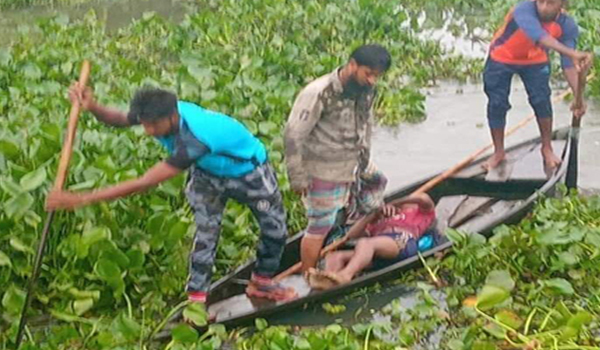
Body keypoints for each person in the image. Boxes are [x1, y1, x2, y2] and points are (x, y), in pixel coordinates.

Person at [46, 84, 297, 303]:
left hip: (248, 172)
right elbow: (121, 119)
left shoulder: (195, 139)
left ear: (172, 117)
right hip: (207, 174)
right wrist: (93, 107)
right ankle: (196, 299)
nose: (148, 131)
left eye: (153, 125)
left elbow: (144, 182)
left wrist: (80, 199)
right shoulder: (156, 113)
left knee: (275, 230)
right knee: (206, 233)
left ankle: (262, 283)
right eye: (144, 124)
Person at [284, 44, 392, 272]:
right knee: (319, 226)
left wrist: (364, 158)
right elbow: (293, 134)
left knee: (376, 184)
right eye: (368, 74)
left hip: (354, 163)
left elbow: (366, 124)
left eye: (377, 76)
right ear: (352, 65)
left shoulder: (365, 90)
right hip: (323, 168)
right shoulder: (319, 92)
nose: (372, 80)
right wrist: (297, 176)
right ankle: (309, 275)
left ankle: (343, 247)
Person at [483, 0, 594, 170]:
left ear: (562, 4)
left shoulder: (567, 25)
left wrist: (578, 96)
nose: (543, 7)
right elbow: (538, 35)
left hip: (535, 60)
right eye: (541, 1)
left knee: (541, 101)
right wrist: (573, 53)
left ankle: (547, 148)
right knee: (497, 104)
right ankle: (499, 152)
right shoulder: (523, 9)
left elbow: (569, 65)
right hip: (501, 57)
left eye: (550, 3)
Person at [307, 193, 436, 289]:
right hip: (377, 252)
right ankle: (327, 283)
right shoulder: (381, 218)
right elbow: (351, 236)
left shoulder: (420, 212)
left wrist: (394, 202)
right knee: (336, 256)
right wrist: (372, 215)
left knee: (365, 243)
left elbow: (423, 198)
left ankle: (345, 276)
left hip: (402, 241)